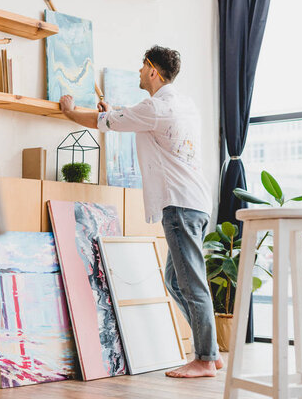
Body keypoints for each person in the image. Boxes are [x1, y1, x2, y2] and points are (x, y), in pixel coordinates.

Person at [59, 45, 224, 378]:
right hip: (194, 203)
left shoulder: (155, 107)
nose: (137, 72)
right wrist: (115, 112)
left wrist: (70, 112)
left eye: (141, 67)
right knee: (176, 281)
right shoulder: (182, 104)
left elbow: (105, 121)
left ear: (152, 70)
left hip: (179, 205)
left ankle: (205, 358)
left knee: (190, 284)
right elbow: (131, 119)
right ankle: (211, 353)